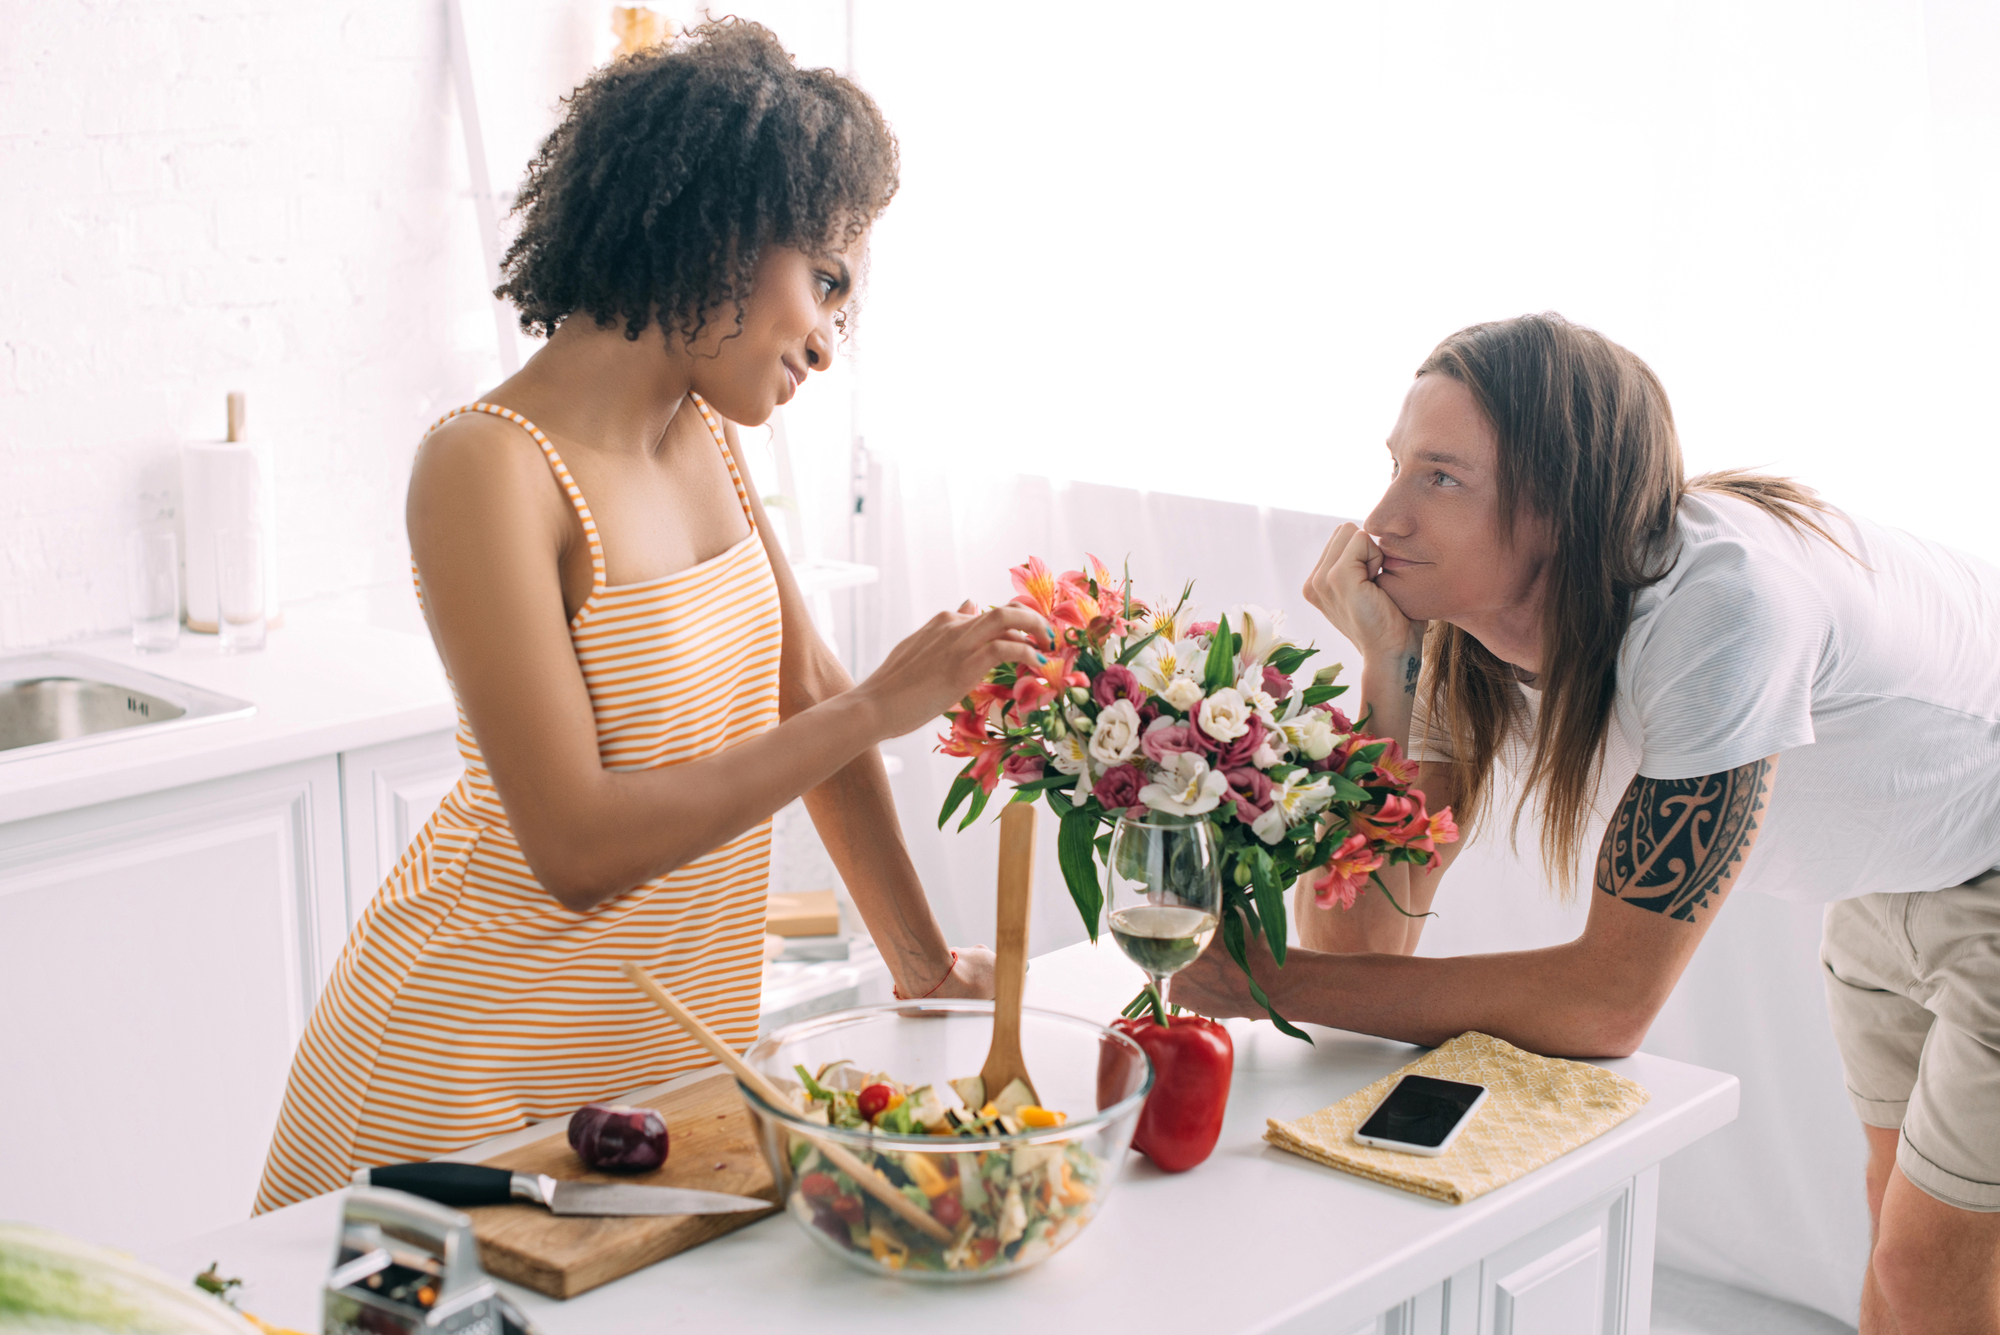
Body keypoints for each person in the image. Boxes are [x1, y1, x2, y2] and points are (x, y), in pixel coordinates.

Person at [255, 22, 1047, 1211]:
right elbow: (576, 851)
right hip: (458, 1067)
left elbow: (809, 701)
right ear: (721, 227)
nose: (830, 340)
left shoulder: (706, 441)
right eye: (824, 278)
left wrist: (922, 964)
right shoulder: (487, 466)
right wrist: (884, 705)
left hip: (651, 1066)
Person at [1173, 313, 2000, 1332]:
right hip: (1890, 870)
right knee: (1894, 1219)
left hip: (1987, 868)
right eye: (1393, 467)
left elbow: (1609, 1002)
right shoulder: (1466, 634)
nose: (1378, 520)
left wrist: (1258, 984)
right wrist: (1385, 667)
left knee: (1930, 1266)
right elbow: (1361, 937)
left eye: (1439, 478)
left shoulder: (1719, 609)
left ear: (1558, 507)